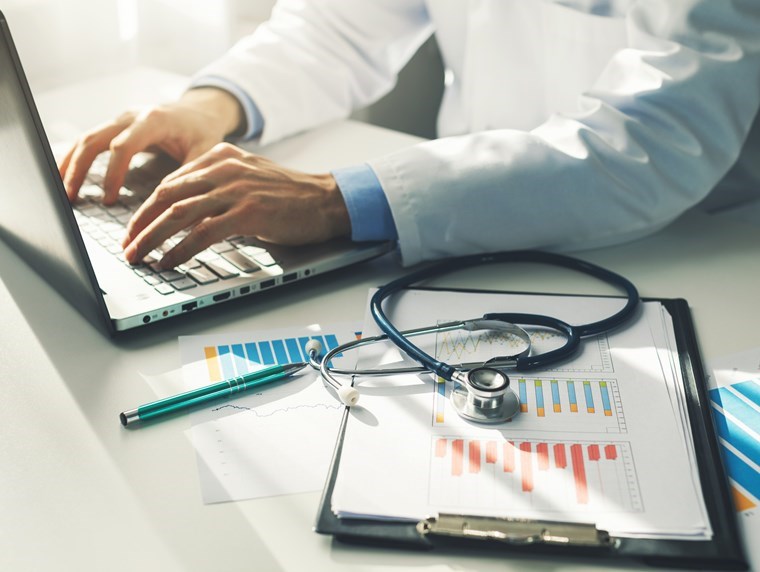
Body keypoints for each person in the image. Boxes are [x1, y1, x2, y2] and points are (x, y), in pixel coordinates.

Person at [60, 0, 760, 271]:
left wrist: (337, 200)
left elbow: (652, 143)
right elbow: (337, 26)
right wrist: (210, 107)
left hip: (687, 254)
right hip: (462, 236)